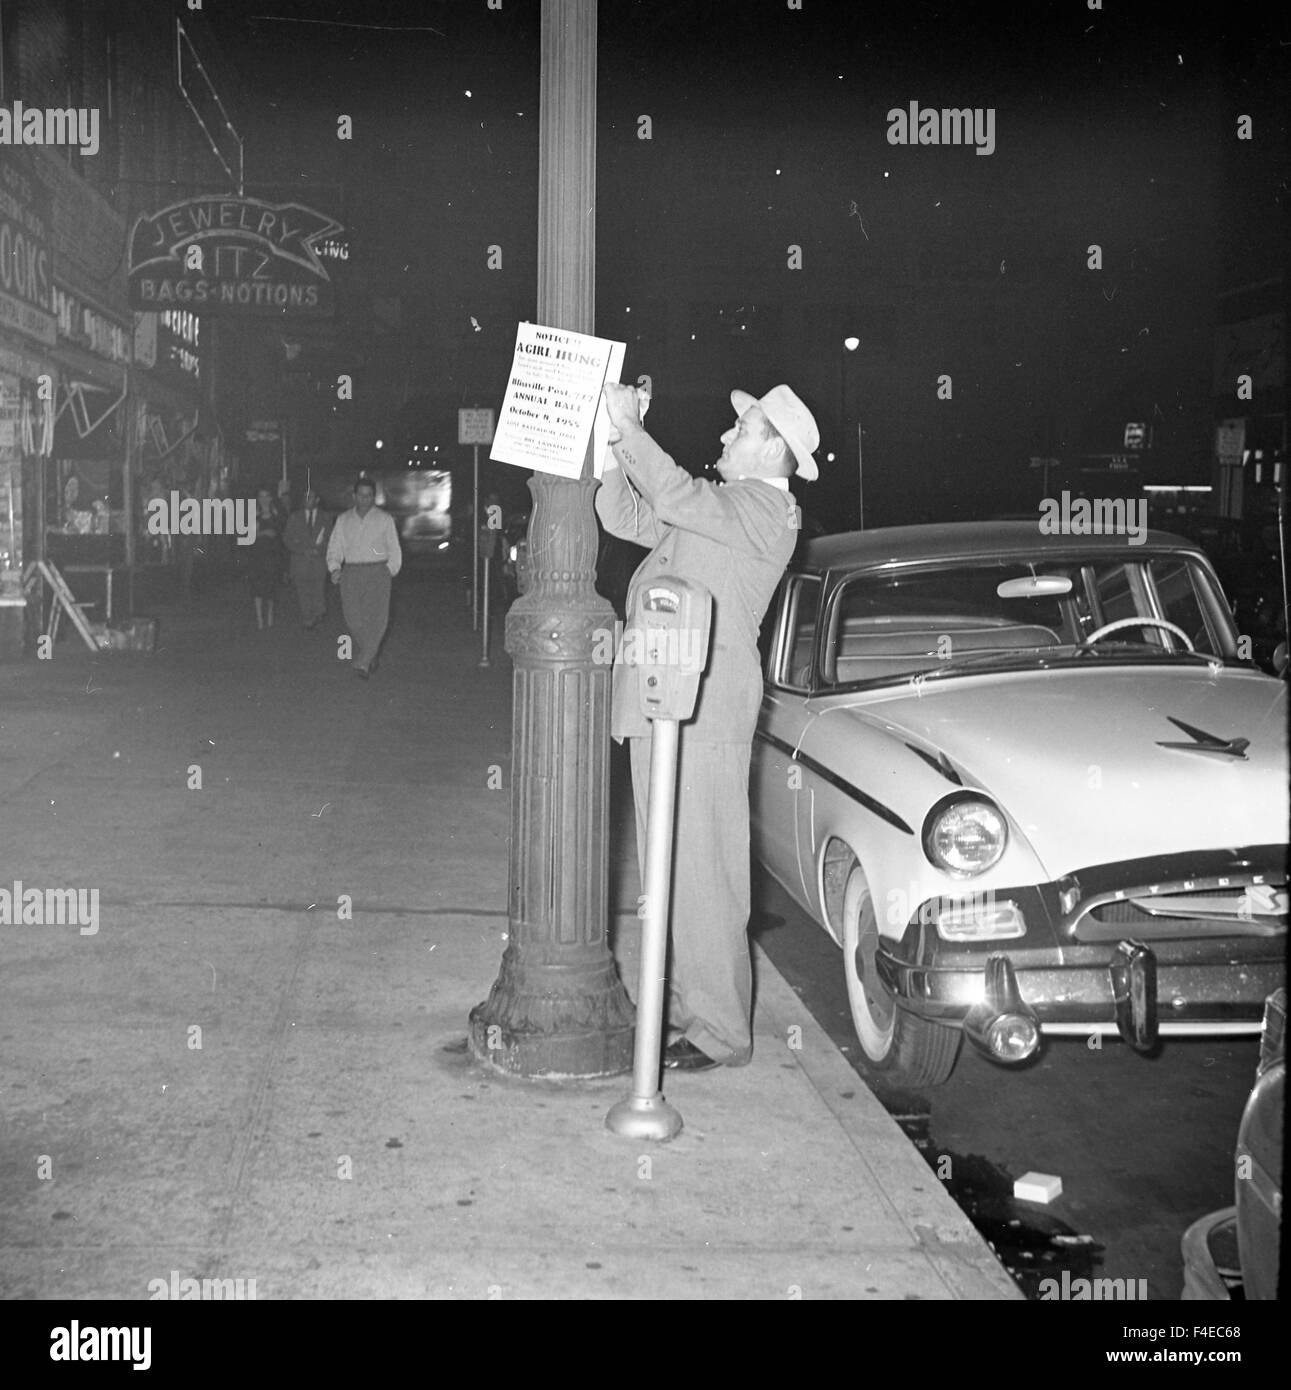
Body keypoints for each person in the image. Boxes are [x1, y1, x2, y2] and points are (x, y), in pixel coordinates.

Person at [597, 381, 819, 1072]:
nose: (723, 438)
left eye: (739, 428)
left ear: (772, 447)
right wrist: (611, 443)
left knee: (703, 871)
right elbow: (624, 514)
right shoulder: (721, 510)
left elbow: (670, 497)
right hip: (664, 699)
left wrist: (632, 426)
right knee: (669, 867)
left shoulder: (764, 510)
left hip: (702, 708)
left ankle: (719, 1031)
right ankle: (685, 1012)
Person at [326, 475, 402, 678]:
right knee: (353, 618)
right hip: (351, 572)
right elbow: (335, 547)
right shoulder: (343, 520)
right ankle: (371, 653)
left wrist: (390, 569)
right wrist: (334, 567)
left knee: (376, 618)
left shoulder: (384, 519)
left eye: (369, 496)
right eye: (361, 495)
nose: (365, 499)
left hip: (378, 571)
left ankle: (364, 661)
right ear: (354, 496)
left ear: (374, 497)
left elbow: (394, 548)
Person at [284, 487, 332, 628]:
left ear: (317, 499)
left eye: (310, 497)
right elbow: (287, 538)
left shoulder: (326, 517)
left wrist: (319, 550)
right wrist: (302, 549)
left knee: (318, 589)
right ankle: (307, 616)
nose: (307, 500)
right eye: (305, 497)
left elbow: (331, 538)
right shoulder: (294, 517)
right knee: (302, 589)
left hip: (318, 560)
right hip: (300, 560)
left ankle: (318, 612)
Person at [246, 487, 284, 629]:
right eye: (260, 496)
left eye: (266, 495)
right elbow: (247, 537)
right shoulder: (252, 515)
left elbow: (281, 534)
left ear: (271, 498)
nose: (263, 499)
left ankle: (269, 615)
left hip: (272, 556)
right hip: (256, 556)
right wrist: (263, 533)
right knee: (257, 587)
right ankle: (259, 618)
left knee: (271, 586)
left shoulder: (277, 515)